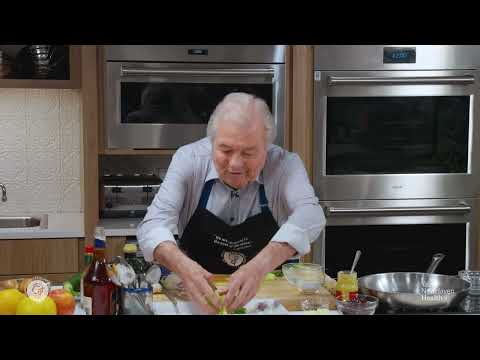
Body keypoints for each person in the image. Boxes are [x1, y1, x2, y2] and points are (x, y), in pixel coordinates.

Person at [137, 92, 326, 313]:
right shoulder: (188, 159)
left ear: (267, 147)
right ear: (212, 142)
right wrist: (183, 267)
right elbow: (152, 225)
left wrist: (259, 266)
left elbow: (311, 214)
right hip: (195, 291)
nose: (235, 164)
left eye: (248, 153)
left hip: (268, 291)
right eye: (225, 150)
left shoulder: (286, 165)